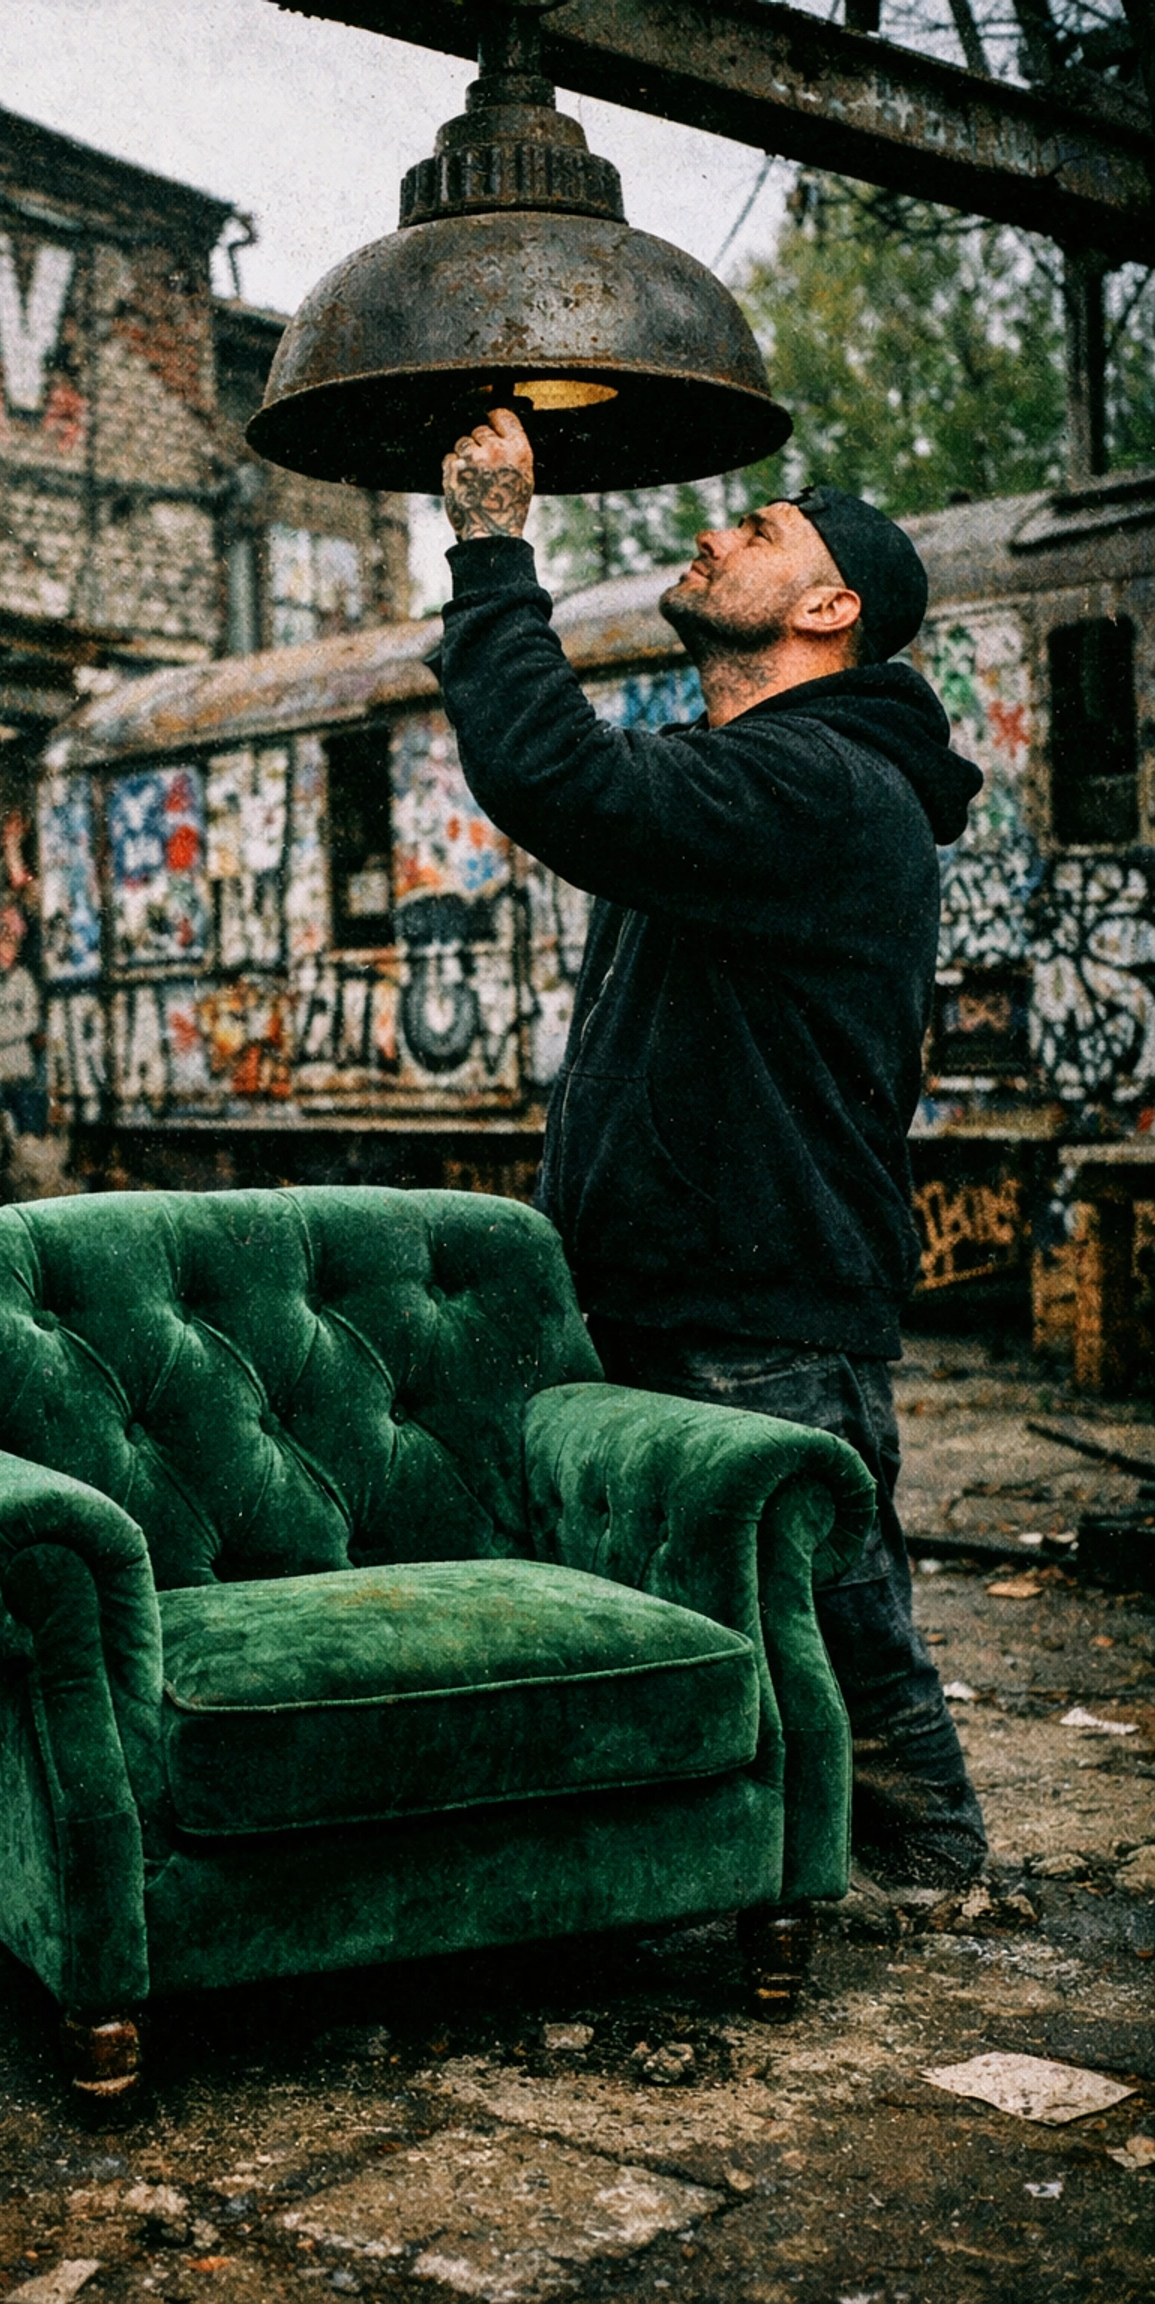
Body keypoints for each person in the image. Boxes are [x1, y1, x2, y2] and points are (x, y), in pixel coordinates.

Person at [434, 405, 988, 1891]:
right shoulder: (756, 778)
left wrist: (492, 547)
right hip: (673, 1287)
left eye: (760, 530)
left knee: (837, 1627)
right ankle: (745, 1876)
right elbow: (582, 783)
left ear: (829, 607)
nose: (714, 531)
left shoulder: (821, 786)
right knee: (703, 1617)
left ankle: (936, 1898)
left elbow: (556, 776)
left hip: (763, 1312)